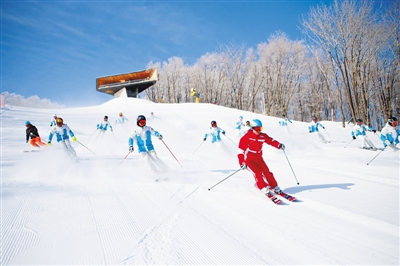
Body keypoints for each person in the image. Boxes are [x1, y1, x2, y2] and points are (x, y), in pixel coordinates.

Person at [238, 119, 286, 195]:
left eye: (260, 128)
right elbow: (240, 151)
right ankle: (262, 187)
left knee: (267, 172)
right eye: (257, 129)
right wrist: (242, 162)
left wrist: (278, 145)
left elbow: (271, 141)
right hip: (249, 160)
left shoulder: (262, 136)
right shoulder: (246, 137)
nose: (258, 131)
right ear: (252, 128)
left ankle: (274, 186)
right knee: (258, 173)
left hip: (259, 159)